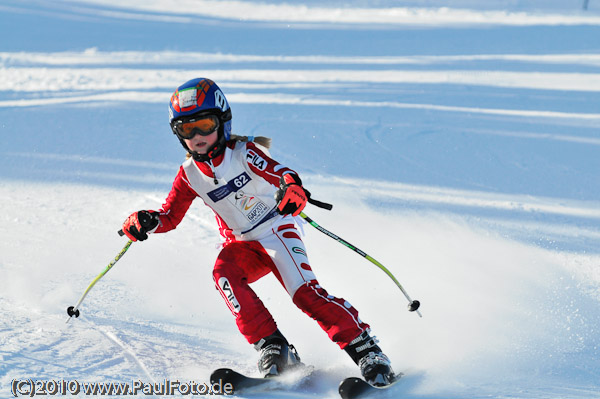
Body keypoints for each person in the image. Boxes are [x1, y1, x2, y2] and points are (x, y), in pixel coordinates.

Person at [121, 77, 395, 386]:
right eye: (187, 129)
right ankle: (274, 347)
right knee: (224, 273)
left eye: (205, 124)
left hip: (277, 229)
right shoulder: (189, 175)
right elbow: (169, 216)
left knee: (306, 295)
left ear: (223, 121)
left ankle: (366, 349)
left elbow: (280, 172)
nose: (197, 135)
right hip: (243, 245)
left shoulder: (242, 152)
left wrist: (291, 188)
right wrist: (145, 221)